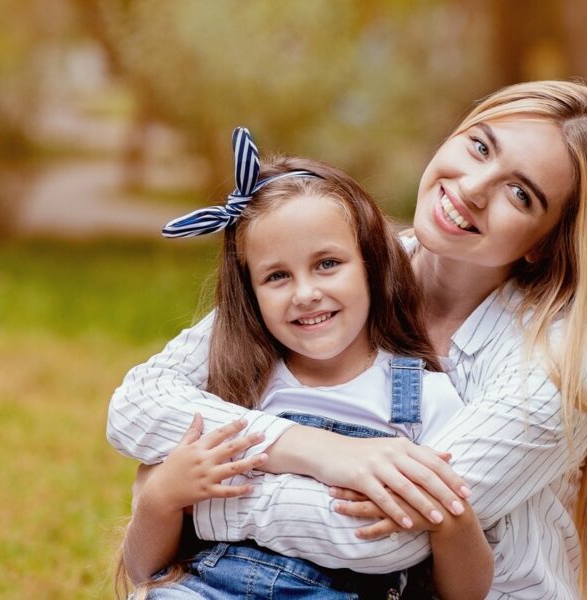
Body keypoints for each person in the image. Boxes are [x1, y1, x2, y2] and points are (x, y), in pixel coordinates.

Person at [108, 80, 587, 600]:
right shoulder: (341, 270)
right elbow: (138, 405)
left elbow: (383, 540)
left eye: (520, 194)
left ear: (544, 243)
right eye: (479, 147)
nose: (473, 188)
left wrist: (170, 492)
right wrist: (319, 451)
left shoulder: (555, 362)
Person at [116, 127, 493, 599]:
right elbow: (143, 571)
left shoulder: (423, 398)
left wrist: (453, 520)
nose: (306, 293)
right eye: (277, 275)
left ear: (372, 264)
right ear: (250, 294)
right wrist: (162, 496)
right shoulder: (242, 388)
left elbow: (468, 593)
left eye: (327, 263)